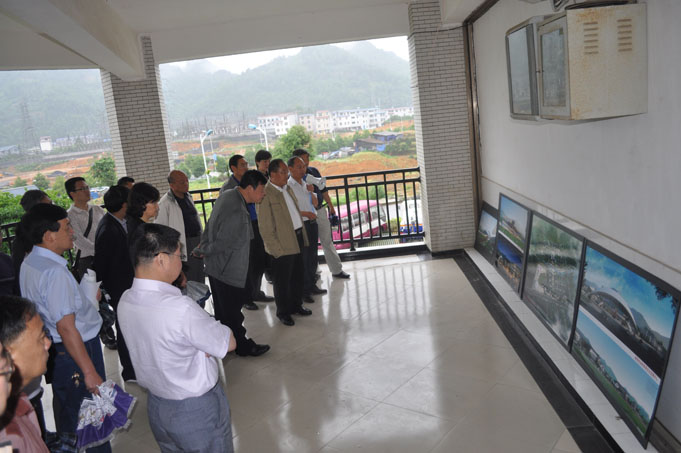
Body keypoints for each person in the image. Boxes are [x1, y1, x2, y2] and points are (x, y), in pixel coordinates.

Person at [118, 223, 236, 453]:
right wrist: (203, 338)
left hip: (158, 407)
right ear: (161, 259)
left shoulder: (126, 300)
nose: (181, 262)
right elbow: (228, 342)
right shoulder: (180, 308)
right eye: (179, 255)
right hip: (195, 411)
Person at [18, 204, 110, 453]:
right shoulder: (54, 271)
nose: (72, 232)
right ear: (49, 235)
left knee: (70, 415)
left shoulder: (31, 261)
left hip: (59, 350)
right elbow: (67, 327)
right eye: (66, 227)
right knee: (92, 420)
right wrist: (89, 371)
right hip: (76, 350)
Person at [196, 170, 270, 357]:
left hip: (217, 267)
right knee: (232, 313)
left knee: (224, 312)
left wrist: (203, 246)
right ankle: (243, 347)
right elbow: (223, 243)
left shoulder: (228, 195)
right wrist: (203, 250)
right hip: (226, 268)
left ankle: (225, 344)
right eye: (262, 190)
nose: (264, 194)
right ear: (250, 188)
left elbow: (210, 224)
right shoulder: (237, 210)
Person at [257, 159, 312, 326]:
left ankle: (296, 305)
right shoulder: (266, 194)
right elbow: (265, 227)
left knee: (297, 275)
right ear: (272, 174)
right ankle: (283, 312)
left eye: (286, 172)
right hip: (282, 243)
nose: (286, 175)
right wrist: (275, 249)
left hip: (297, 237)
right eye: (283, 172)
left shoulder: (287, 188)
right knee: (282, 280)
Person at [94, 185, 136, 382]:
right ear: (124, 204)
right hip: (119, 286)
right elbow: (102, 263)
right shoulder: (108, 229)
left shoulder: (119, 221)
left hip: (127, 284)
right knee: (125, 326)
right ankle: (129, 371)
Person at [0, 296, 51, 453]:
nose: (48, 344)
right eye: (41, 338)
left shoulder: (20, 402)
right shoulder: (8, 438)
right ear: (7, 356)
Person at [292, 149, 350, 279]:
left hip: (319, 210)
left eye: (307, 158)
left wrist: (331, 206)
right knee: (309, 245)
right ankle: (314, 272)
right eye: (303, 159)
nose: (306, 162)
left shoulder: (313, 171)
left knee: (327, 241)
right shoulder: (293, 179)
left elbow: (323, 190)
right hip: (304, 216)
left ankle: (337, 270)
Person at [287, 156, 327, 303]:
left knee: (312, 256)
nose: (303, 169)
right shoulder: (288, 186)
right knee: (303, 258)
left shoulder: (306, 183)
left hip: (312, 223)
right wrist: (306, 214)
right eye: (299, 167)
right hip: (301, 224)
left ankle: (312, 285)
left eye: (304, 166)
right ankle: (304, 290)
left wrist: (311, 191)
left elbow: (315, 204)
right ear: (290, 169)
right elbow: (289, 209)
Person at [156, 170, 204, 283]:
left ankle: (201, 294)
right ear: (172, 185)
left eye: (187, 181)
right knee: (189, 277)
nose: (186, 184)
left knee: (200, 272)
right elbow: (160, 229)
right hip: (183, 244)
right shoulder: (165, 203)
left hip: (197, 240)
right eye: (182, 182)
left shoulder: (188, 196)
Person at [65, 177, 106, 281]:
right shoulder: (70, 215)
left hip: (105, 256)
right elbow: (79, 240)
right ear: (72, 194)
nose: (87, 191)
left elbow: (108, 230)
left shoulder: (98, 209)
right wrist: (101, 250)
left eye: (87, 187)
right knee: (92, 289)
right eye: (82, 189)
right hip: (87, 260)